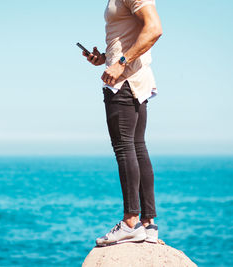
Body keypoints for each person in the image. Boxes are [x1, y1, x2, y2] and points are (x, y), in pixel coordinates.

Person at [82, 0, 162, 246]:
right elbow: (131, 35)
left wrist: (120, 63)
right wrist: (106, 58)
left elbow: (154, 29)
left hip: (125, 81)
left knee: (125, 147)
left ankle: (130, 222)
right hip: (135, 79)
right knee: (137, 146)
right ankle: (148, 225)